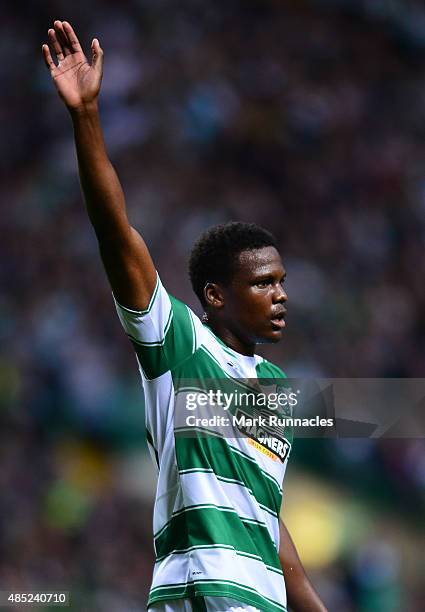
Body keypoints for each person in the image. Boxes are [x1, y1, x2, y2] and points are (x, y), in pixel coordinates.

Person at [42, 20, 327, 612]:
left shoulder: (273, 390)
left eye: (282, 283)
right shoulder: (180, 345)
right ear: (216, 294)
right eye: (262, 283)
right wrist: (87, 117)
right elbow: (116, 235)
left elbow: (270, 524)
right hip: (202, 593)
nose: (280, 296)